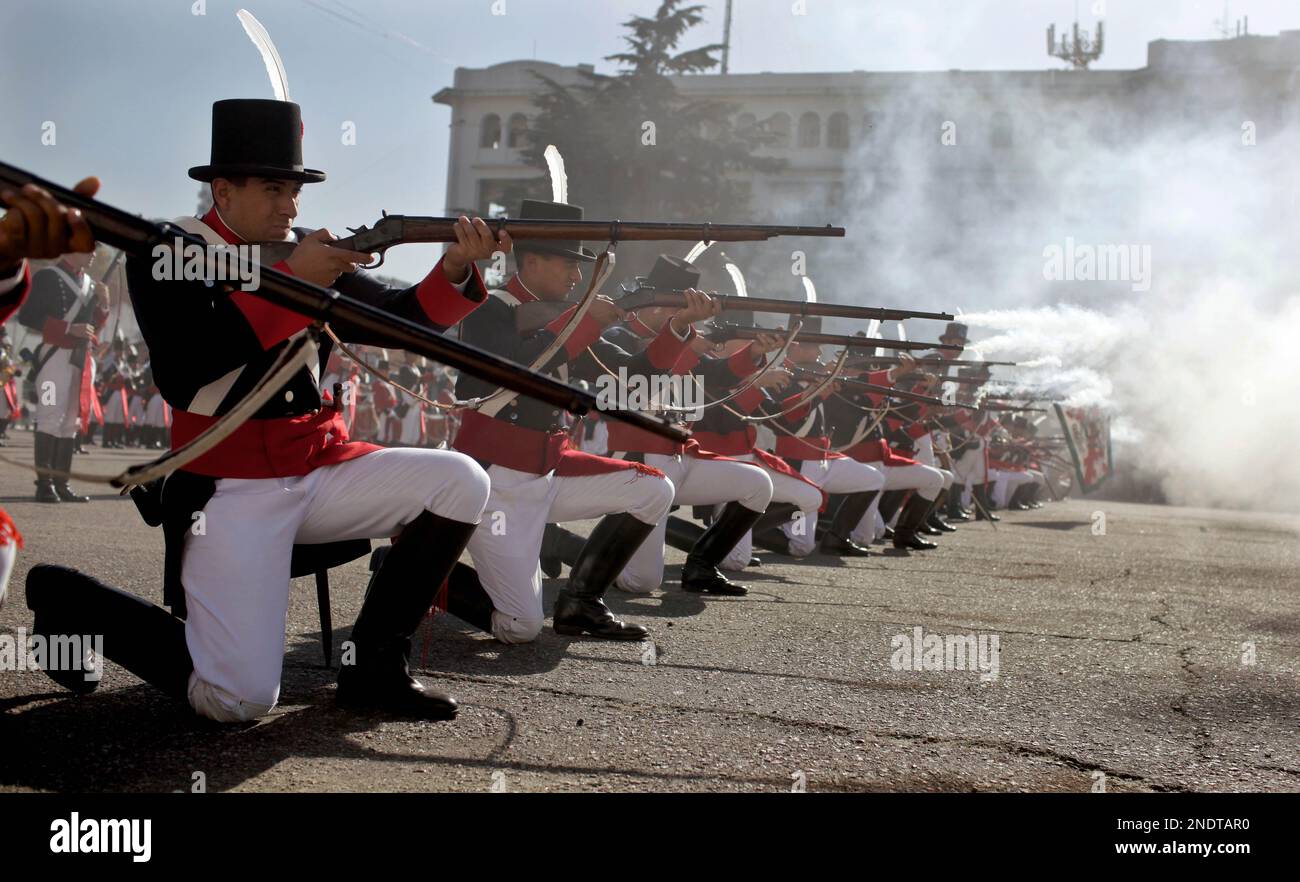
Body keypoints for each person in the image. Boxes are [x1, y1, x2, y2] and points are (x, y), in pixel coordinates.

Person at [24, 99, 507, 723]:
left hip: (315, 465)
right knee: (237, 701)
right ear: (222, 191)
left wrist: (457, 266)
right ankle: (73, 600)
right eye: (275, 188)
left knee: (461, 479)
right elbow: (187, 368)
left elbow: (403, 319)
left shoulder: (304, 250)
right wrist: (300, 286)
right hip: (228, 487)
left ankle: (375, 666)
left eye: (296, 189)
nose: (292, 205)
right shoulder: (165, 251)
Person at [452, 199, 694, 643]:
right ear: (532, 260)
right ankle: (414, 567)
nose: (577, 276)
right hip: (497, 480)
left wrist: (676, 328)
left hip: (550, 467)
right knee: (519, 628)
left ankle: (581, 601)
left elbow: (631, 384)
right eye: (567, 263)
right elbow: (509, 371)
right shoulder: (490, 308)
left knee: (654, 489)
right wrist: (583, 326)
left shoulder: (566, 319)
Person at [0, 173, 101, 605]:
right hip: (54, 353)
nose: (93, 252)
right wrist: (68, 327)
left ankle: (61, 481)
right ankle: (45, 482)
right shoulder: (48, 278)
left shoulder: (92, 286)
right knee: (50, 414)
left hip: (81, 357)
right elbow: (25, 317)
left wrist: (94, 326)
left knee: (69, 420)